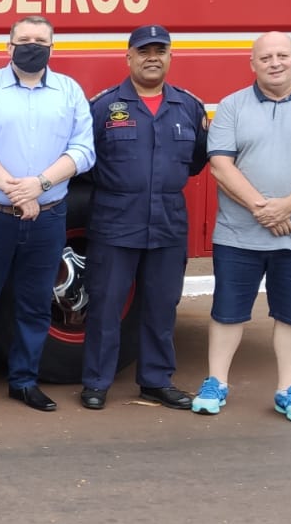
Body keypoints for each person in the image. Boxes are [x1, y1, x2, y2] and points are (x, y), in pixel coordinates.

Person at [191, 32, 291, 424]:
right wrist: (264, 209)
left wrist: (286, 207)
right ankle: (216, 382)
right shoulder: (231, 106)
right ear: (252, 64)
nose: (274, 63)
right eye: (265, 57)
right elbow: (221, 165)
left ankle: (288, 389)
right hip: (238, 233)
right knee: (227, 311)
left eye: (282, 55)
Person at [0, 15, 95, 414]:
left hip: (47, 215)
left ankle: (25, 380)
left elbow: (83, 150)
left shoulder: (69, 91)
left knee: (33, 302)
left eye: (40, 40)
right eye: (24, 39)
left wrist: (39, 186)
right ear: (8, 46)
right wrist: (17, 188)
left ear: (52, 47)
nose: (32, 45)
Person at [80, 25, 208, 411]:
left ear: (170, 57)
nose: (153, 57)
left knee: (162, 305)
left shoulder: (188, 107)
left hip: (168, 222)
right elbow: (86, 162)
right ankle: (96, 382)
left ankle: (155, 381)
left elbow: (199, 160)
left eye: (160, 50)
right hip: (116, 221)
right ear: (129, 57)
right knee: (105, 306)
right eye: (144, 50)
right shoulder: (103, 107)